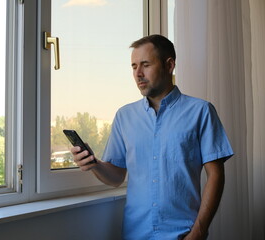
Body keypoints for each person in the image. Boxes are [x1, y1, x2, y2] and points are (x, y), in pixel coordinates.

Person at [71, 34, 233, 240]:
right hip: (136, 233)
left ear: (169, 65)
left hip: (184, 233)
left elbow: (216, 175)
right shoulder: (124, 116)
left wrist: (199, 232)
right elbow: (116, 176)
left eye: (145, 64)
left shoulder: (201, 111)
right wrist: (94, 164)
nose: (138, 74)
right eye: (133, 66)